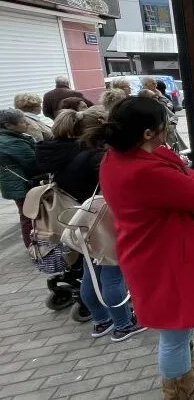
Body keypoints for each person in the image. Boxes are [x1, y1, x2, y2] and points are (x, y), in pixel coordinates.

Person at [90, 96, 194, 398]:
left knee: (179, 326)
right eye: (164, 125)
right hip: (165, 258)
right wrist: (192, 179)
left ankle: (185, 372)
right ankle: (181, 392)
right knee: (175, 332)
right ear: (148, 132)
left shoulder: (116, 158)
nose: (167, 129)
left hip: (149, 252)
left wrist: (185, 177)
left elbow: (184, 181)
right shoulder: (147, 171)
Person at [35, 108, 147, 341]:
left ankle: (100, 320)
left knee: (91, 272)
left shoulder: (71, 153)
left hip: (82, 220)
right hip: (103, 221)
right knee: (112, 274)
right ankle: (123, 324)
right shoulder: (99, 158)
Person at [0, 109, 39, 249]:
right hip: (23, 185)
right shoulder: (12, 142)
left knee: (26, 216)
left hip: (16, 185)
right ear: (8, 125)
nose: (27, 123)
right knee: (29, 217)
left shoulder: (9, 138)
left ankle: (34, 247)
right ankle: (33, 248)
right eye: (22, 121)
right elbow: (34, 164)